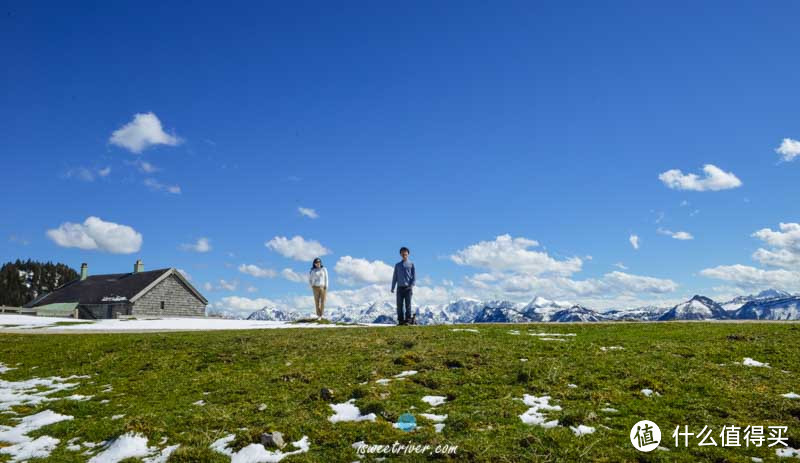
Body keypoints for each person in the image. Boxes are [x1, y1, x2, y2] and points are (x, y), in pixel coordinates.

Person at [391, 246, 416, 325]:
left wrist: (411, 285)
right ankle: (400, 321)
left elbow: (414, 276)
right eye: (402, 252)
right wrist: (392, 287)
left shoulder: (411, 264)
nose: (404, 254)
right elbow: (395, 276)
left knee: (408, 306)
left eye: (405, 252)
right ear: (400, 254)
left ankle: (408, 320)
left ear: (408, 254)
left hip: (408, 288)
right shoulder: (397, 265)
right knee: (399, 305)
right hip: (399, 288)